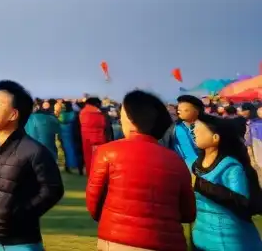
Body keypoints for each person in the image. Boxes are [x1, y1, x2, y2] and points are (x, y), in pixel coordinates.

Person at [85, 90, 196, 251]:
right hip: (168, 242)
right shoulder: (176, 161)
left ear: (130, 120)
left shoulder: (107, 152)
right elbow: (188, 213)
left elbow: (94, 205)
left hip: (117, 240)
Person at [0, 80, 64, 251]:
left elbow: (52, 189)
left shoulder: (35, 151)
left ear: (13, 114)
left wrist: (23, 213)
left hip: (22, 242)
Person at [189, 113, 262, 251]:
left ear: (215, 138)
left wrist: (199, 184)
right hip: (201, 236)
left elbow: (240, 203)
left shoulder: (231, 167)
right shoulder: (197, 165)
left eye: (198, 130)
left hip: (228, 240)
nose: (193, 132)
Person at [160, 94, 204, 170]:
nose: (179, 111)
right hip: (182, 169)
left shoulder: (209, 127)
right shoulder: (173, 128)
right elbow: (162, 147)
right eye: (179, 108)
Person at [79, 97, 112, 172]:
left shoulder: (83, 112)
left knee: (88, 158)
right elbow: (103, 124)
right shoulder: (97, 113)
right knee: (98, 160)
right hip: (98, 139)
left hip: (86, 139)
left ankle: (90, 174)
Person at [54, 100, 83, 175]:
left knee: (65, 152)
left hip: (63, 135)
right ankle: (79, 168)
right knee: (76, 152)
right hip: (73, 135)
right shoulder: (75, 115)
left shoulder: (61, 115)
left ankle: (67, 167)